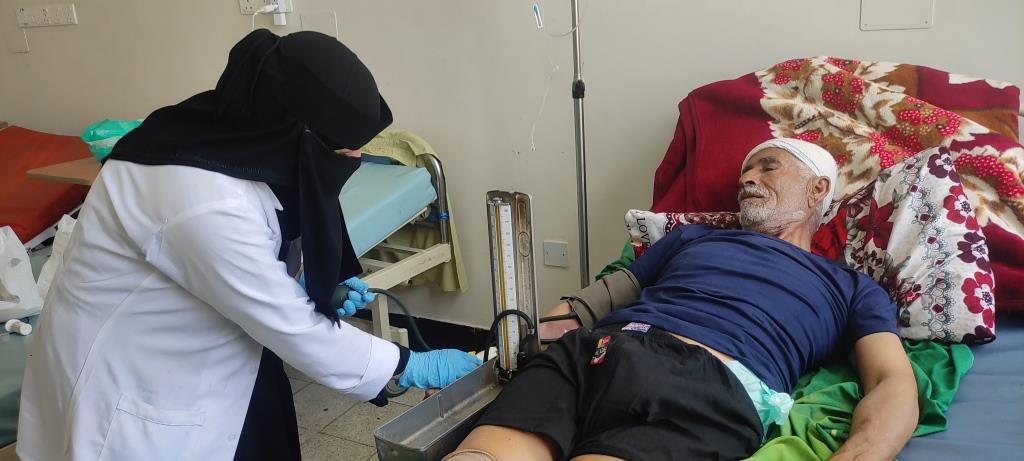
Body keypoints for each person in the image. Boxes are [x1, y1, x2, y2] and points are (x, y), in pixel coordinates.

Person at [17, 30, 479, 461]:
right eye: (343, 151)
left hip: (218, 345)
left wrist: (304, 281)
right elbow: (294, 329)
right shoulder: (201, 201)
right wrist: (410, 365)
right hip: (137, 389)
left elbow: (263, 245)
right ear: (292, 132)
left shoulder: (235, 137)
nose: (355, 160)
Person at [446, 138, 918, 461]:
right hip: (591, 353)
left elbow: (892, 382)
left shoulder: (850, 287)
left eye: (768, 166)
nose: (748, 178)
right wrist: (501, 360)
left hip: (704, 385)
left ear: (818, 189)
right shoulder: (693, 238)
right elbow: (593, 303)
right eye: (746, 171)